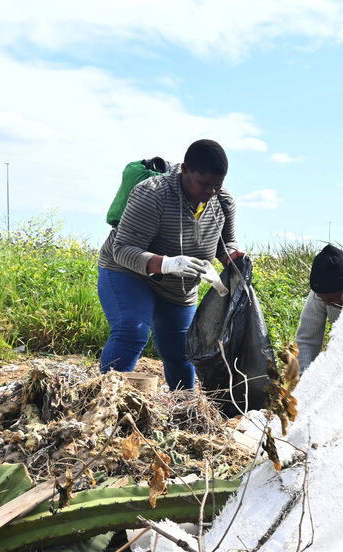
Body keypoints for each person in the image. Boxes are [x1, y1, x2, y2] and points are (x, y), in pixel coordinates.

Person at [97, 139, 242, 390]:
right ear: (185, 170)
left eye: (217, 185)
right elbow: (122, 249)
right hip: (129, 273)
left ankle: (184, 408)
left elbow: (225, 242)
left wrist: (233, 258)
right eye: (204, 184)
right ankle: (107, 401)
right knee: (133, 331)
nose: (210, 191)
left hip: (179, 287)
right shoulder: (153, 193)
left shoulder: (222, 202)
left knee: (181, 351)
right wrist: (166, 264)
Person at [296, 245, 343, 374]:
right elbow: (307, 340)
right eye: (323, 299)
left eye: (333, 298)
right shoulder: (318, 295)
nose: (327, 303)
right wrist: (305, 379)